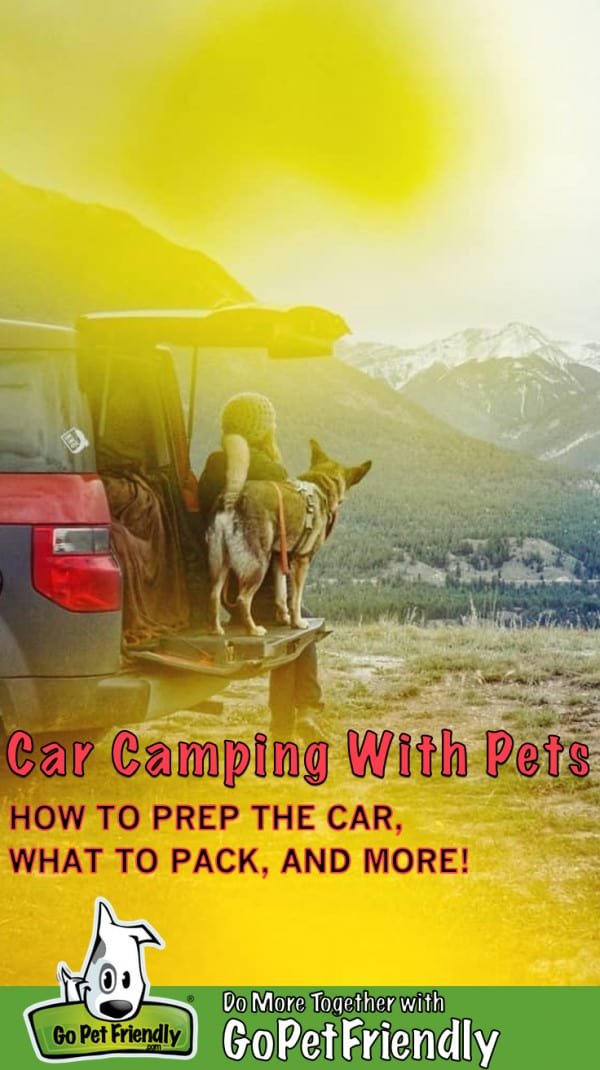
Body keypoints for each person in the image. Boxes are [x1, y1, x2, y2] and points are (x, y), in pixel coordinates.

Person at [197, 392, 324, 740]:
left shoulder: (214, 463)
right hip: (260, 587)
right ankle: (298, 717)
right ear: (264, 430)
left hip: (221, 581)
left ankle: (300, 716)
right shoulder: (271, 469)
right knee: (297, 632)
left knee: (294, 630)